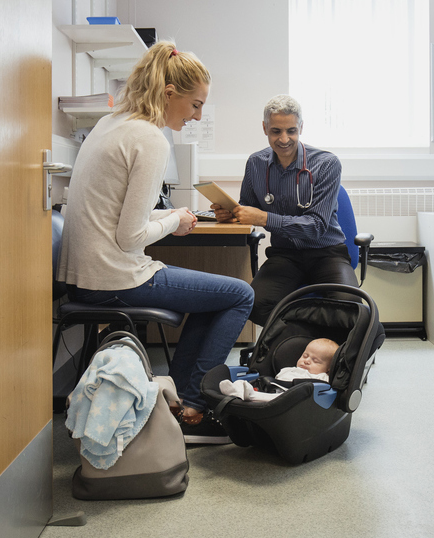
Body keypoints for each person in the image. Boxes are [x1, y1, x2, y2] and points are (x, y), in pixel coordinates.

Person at [58, 41, 252, 444]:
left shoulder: (112, 124)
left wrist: (171, 217)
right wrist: (172, 222)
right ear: (169, 94)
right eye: (195, 105)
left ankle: (179, 403)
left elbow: (119, 216)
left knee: (212, 298)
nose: (198, 116)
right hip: (115, 278)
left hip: (88, 275)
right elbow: (130, 238)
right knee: (239, 295)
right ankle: (194, 406)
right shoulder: (150, 139)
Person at [211, 95, 358, 326]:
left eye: (291, 130)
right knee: (254, 304)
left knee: (350, 307)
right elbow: (248, 208)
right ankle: (300, 337)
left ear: (301, 127)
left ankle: (308, 341)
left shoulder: (327, 164)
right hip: (285, 255)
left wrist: (264, 218)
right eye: (275, 131)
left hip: (327, 253)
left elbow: (317, 227)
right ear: (264, 128)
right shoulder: (255, 164)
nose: (284, 139)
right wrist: (232, 215)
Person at [218, 338, 338, 402]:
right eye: (305, 356)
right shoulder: (289, 369)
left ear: (328, 369)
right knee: (244, 383)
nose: (306, 361)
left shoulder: (322, 378)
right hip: (270, 387)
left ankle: (250, 395)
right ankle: (236, 389)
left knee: (276, 399)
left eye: (315, 361)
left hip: (291, 398)